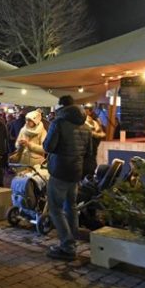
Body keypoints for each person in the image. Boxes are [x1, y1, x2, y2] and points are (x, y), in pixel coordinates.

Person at [42, 97, 93, 261]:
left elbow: (48, 147)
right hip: (76, 171)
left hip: (60, 170)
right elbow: (89, 151)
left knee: (55, 208)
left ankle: (67, 246)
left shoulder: (58, 123)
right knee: (71, 207)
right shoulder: (86, 126)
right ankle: (72, 243)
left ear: (61, 106)